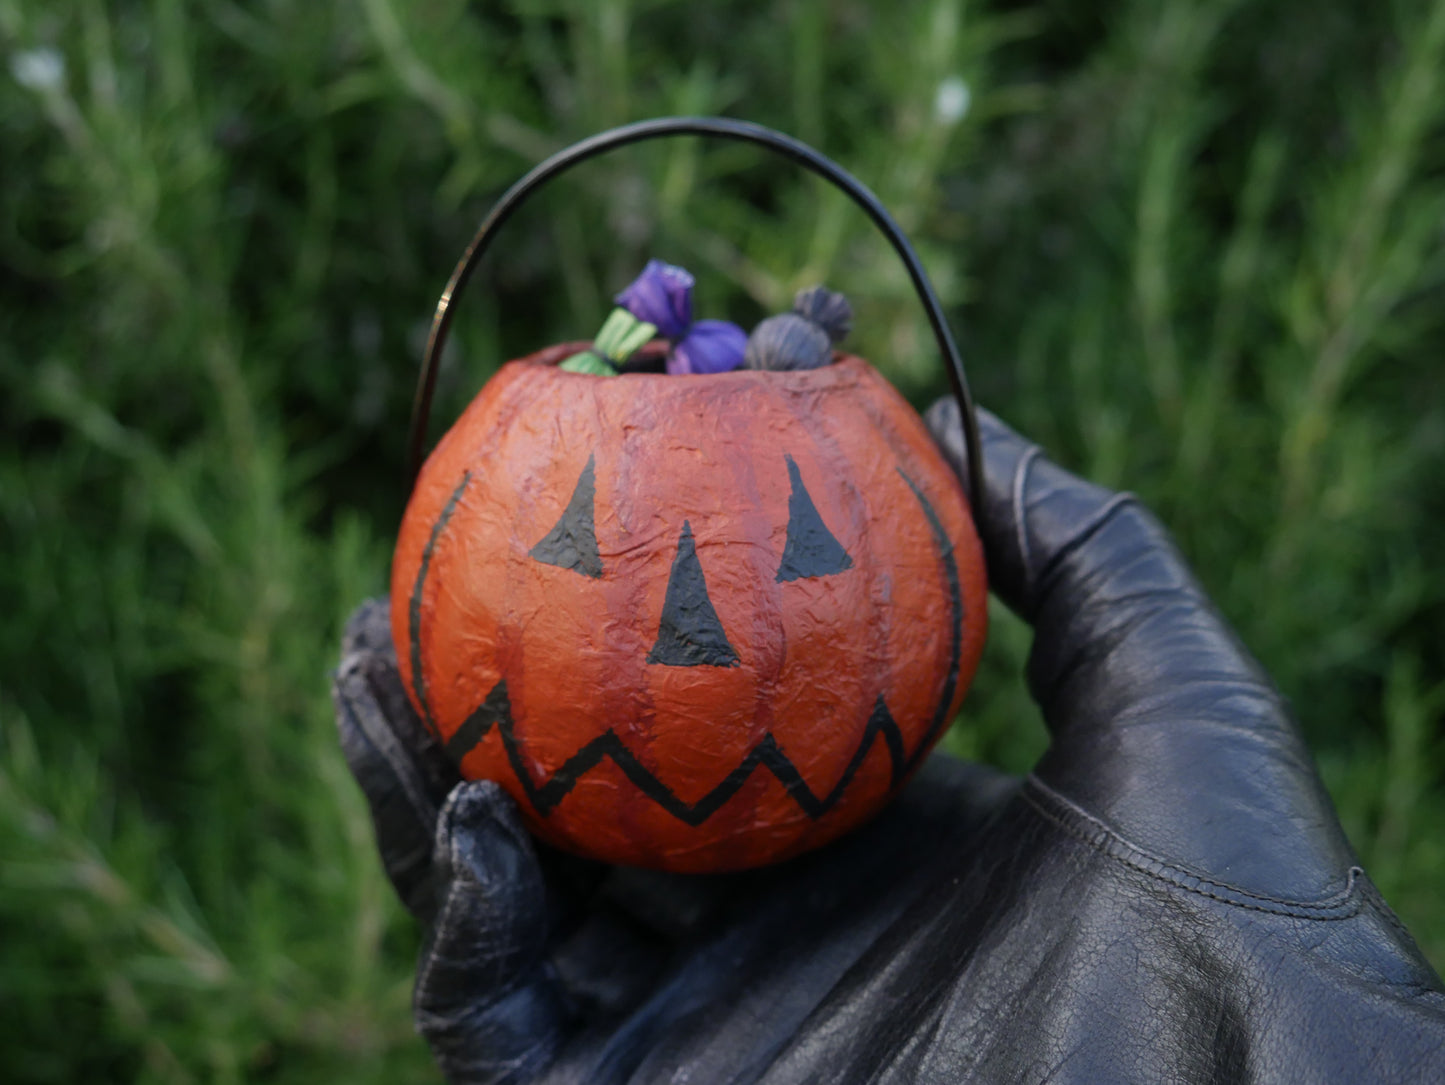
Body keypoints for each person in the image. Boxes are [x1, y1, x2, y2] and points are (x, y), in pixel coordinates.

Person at [333, 402, 1445, 1083]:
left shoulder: (840, 427)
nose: (695, 648)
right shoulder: (545, 419)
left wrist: (1225, 1016)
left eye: (805, 547)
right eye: (573, 544)